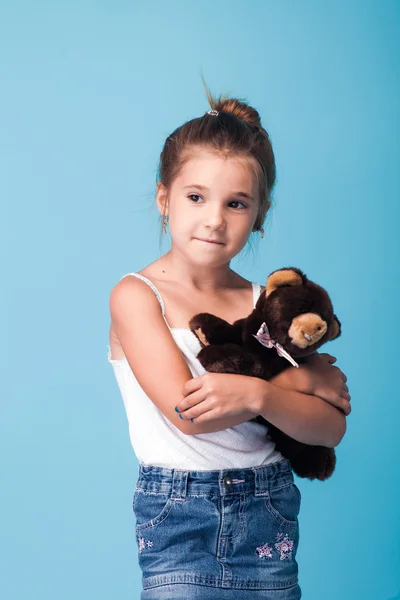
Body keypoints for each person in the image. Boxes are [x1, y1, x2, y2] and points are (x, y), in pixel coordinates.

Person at [107, 83, 351, 600]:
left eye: (236, 203)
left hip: (268, 509)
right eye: (196, 197)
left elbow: (329, 428)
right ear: (163, 198)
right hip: (179, 515)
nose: (214, 219)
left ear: (259, 215)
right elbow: (188, 413)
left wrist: (260, 395)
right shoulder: (137, 295)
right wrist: (297, 382)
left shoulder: (271, 304)